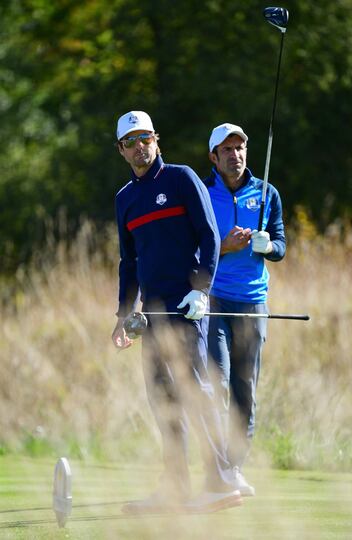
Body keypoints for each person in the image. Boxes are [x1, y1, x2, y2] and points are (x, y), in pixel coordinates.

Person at [112, 111, 244, 514]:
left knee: (193, 389)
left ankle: (220, 481)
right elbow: (129, 262)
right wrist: (122, 315)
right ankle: (176, 487)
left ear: (156, 139)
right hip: (151, 315)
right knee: (163, 399)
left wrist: (202, 291)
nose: (140, 146)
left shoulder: (182, 178)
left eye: (145, 138)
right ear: (121, 149)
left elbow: (208, 235)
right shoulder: (124, 199)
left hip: (187, 306)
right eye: (131, 141)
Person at [203, 122, 286, 496]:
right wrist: (224, 247)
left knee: (244, 390)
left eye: (240, 149)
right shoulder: (202, 194)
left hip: (253, 302)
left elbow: (282, 245)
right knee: (215, 386)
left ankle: (233, 468)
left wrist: (269, 247)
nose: (235, 155)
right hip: (215, 301)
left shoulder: (267, 193)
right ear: (214, 157)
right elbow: (194, 253)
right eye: (227, 150)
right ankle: (218, 470)